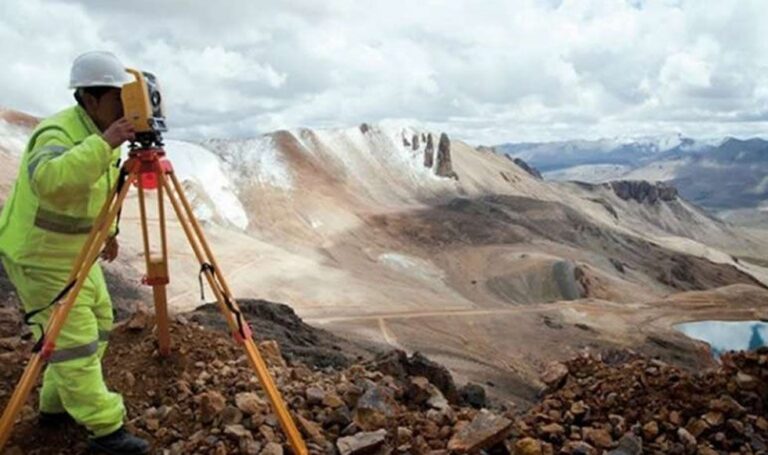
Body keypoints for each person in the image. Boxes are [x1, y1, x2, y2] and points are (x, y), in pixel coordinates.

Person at [0, 51, 149, 455]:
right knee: (76, 339)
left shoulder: (105, 133)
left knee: (101, 319)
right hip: (40, 256)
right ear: (90, 97)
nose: (126, 108)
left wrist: (110, 232)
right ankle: (106, 431)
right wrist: (105, 143)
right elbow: (52, 181)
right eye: (118, 98)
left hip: (76, 254)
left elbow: (99, 191)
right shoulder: (57, 133)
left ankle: (56, 405)